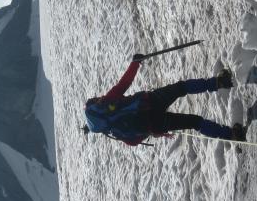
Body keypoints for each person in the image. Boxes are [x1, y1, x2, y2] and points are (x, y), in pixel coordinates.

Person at [83, 55, 246, 146]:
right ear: (95, 105)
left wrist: (154, 131)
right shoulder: (106, 102)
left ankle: (232, 134)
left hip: (156, 123)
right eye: (96, 100)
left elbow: (135, 140)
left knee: (194, 122)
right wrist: (135, 63)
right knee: (182, 88)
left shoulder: (113, 131)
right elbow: (124, 83)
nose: (99, 99)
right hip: (151, 101)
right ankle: (219, 82)